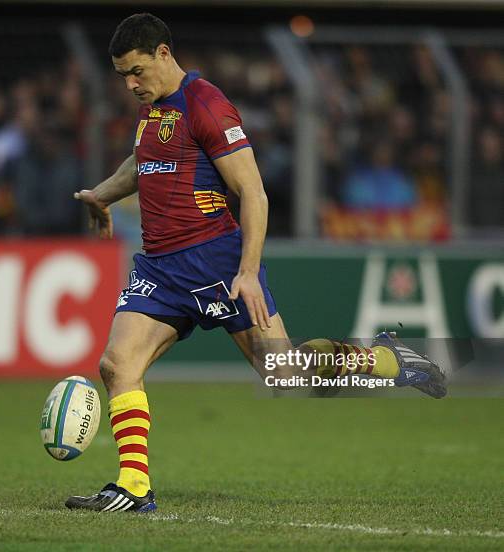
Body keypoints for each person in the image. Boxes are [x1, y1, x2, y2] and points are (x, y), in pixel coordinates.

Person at [66, 13, 446, 514]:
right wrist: (102, 195)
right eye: (121, 76)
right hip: (159, 269)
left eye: (136, 71)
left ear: (163, 53)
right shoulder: (153, 109)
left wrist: (246, 272)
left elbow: (253, 192)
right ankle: (134, 488)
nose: (130, 84)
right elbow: (142, 164)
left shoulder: (207, 103)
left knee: (282, 372)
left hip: (216, 264)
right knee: (117, 365)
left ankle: (389, 360)